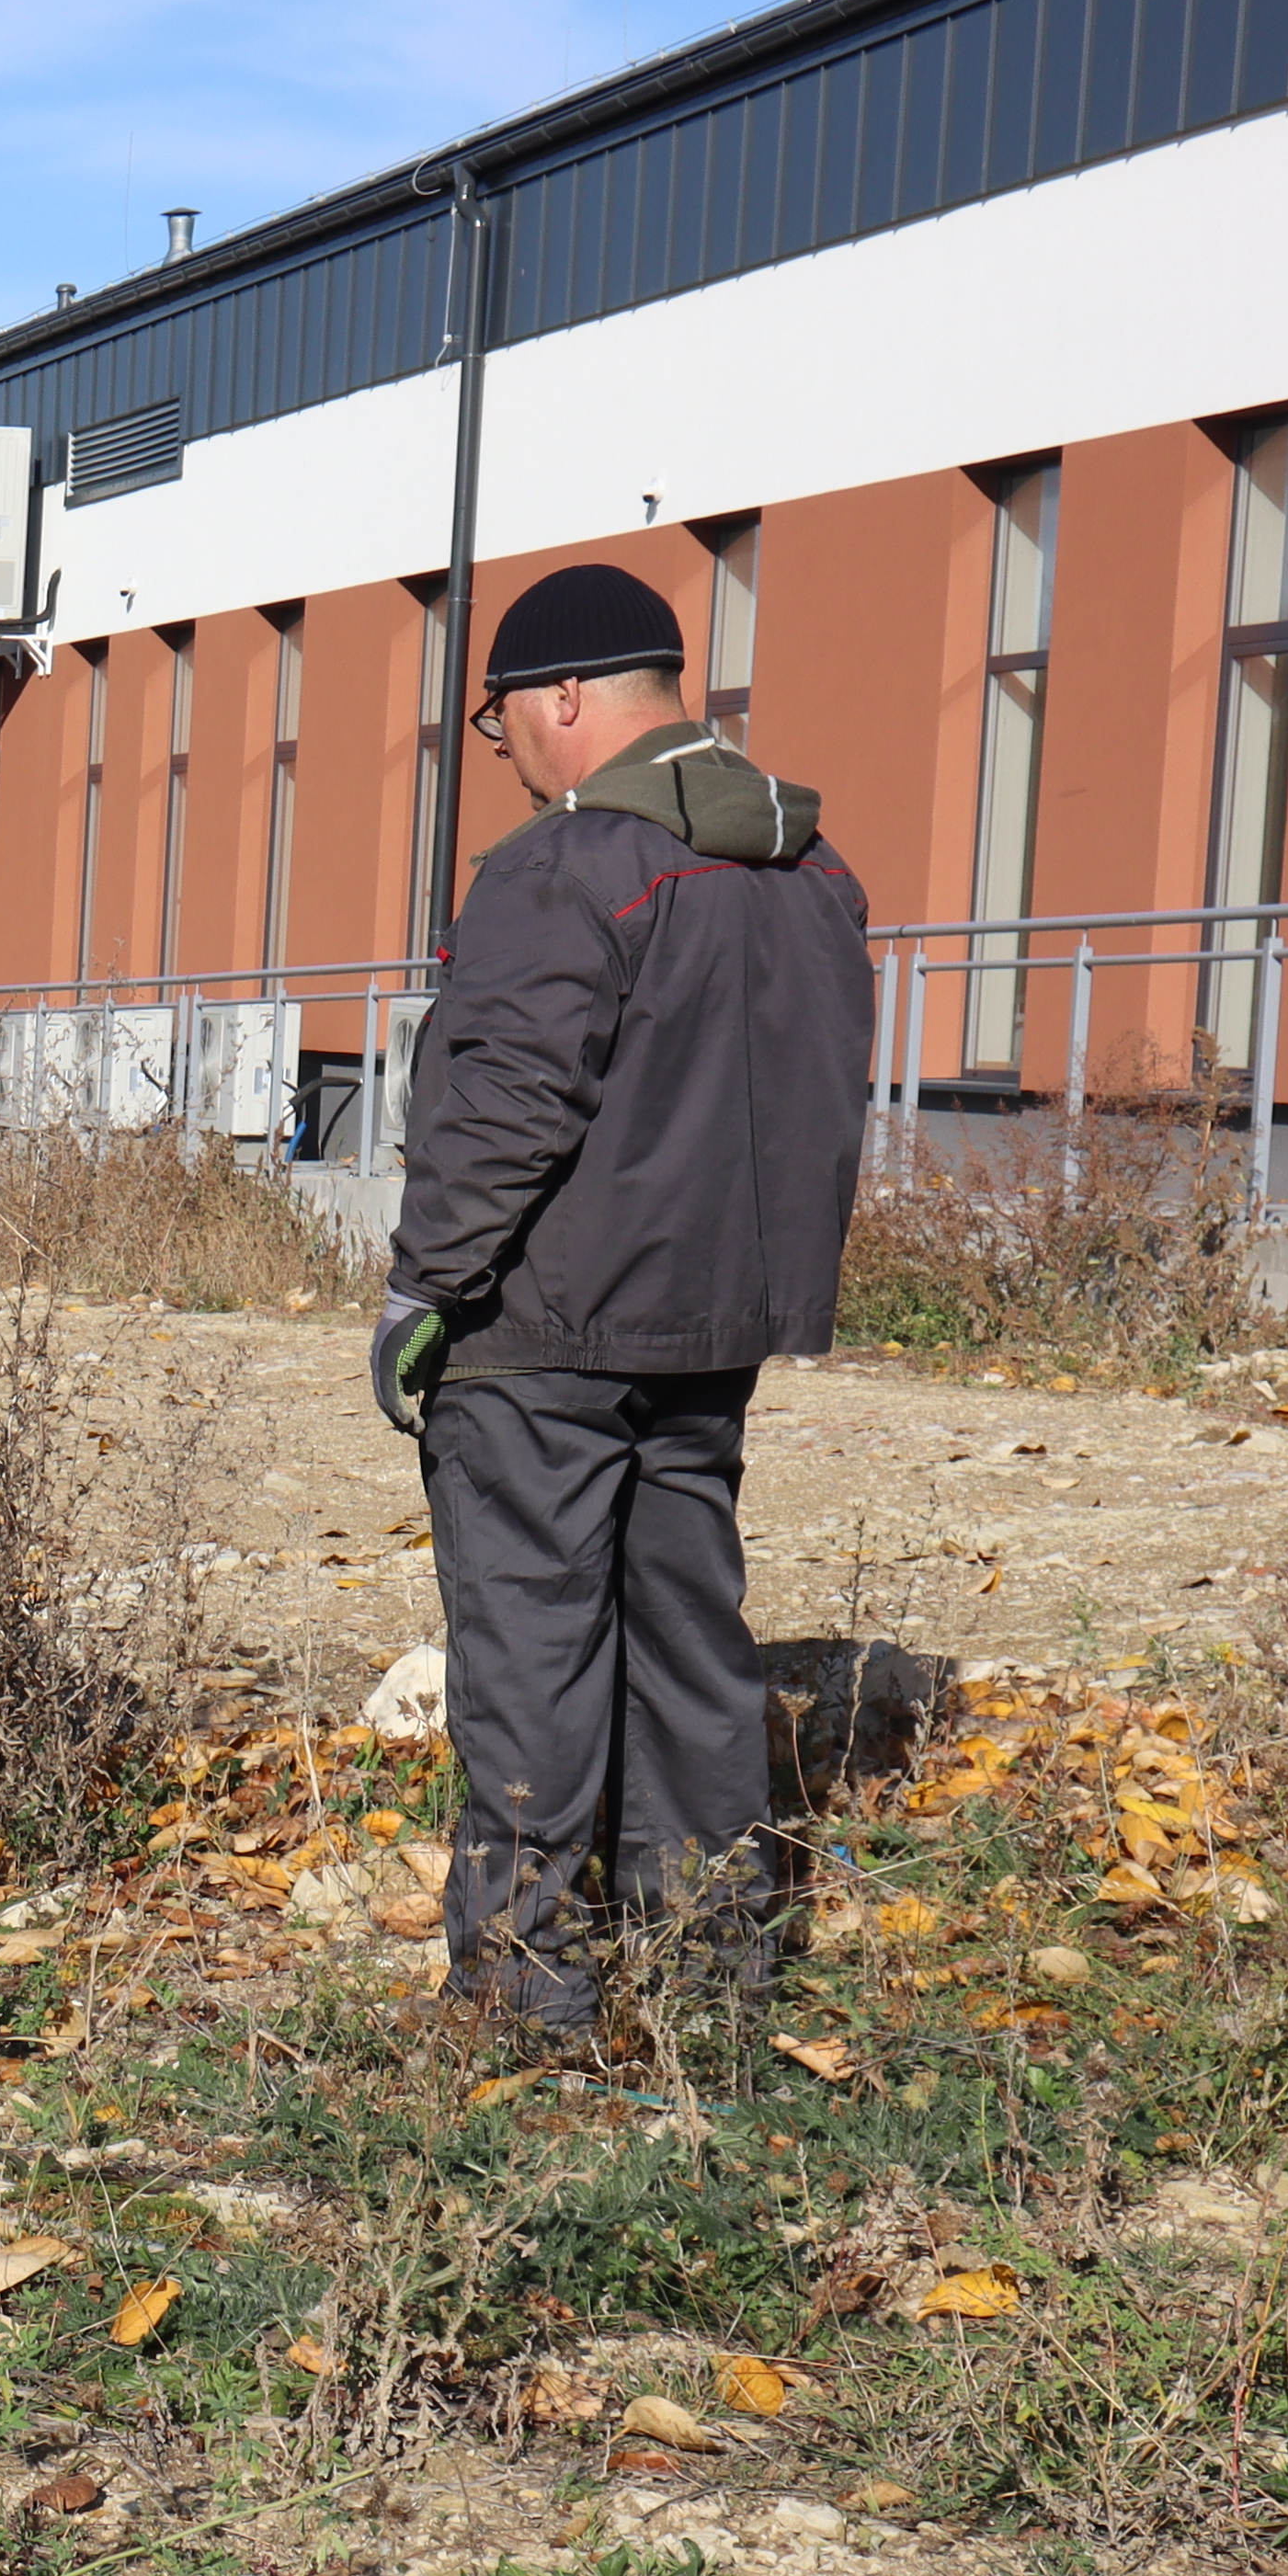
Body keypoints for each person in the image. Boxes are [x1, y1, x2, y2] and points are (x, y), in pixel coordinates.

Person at [372, 562, 872, 2039]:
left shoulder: (566, 867)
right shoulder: (809, 872)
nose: (508, 747)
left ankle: (526, 1999)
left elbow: (501, 1103)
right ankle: (711, 1969)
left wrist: (426, 1289)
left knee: (531, 1649)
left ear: (568, 697)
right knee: (690, 1642)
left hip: (541, 1333)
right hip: (713, 1324)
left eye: (505, 714)